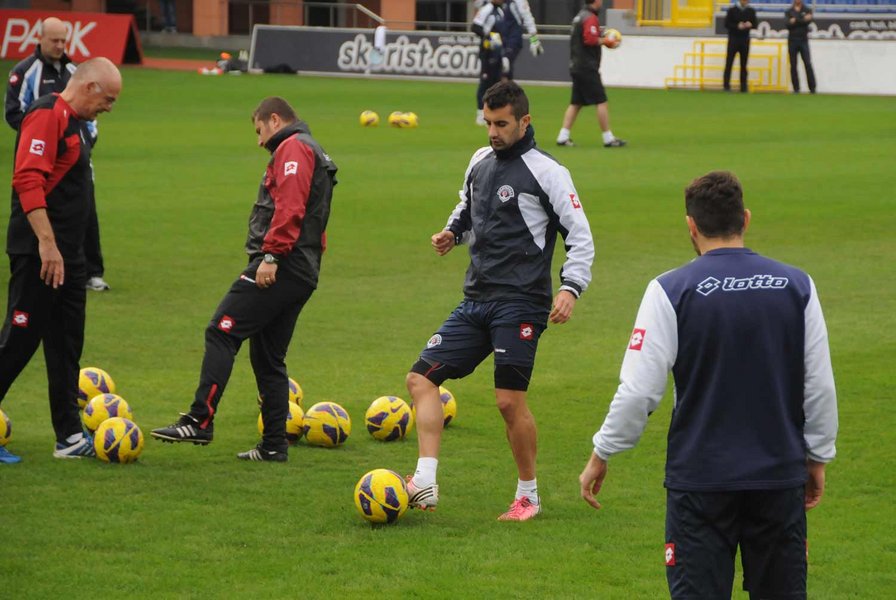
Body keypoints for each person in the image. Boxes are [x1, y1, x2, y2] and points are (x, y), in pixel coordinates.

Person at [578, 171, 838, 598]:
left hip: (701, 480)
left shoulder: (669, 290)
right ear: (745, 219)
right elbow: (819, 385)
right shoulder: (797, 286)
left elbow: (640, 391)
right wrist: (818, 456)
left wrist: (603, 451)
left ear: (691, 226)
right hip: (777, 476)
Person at [404, 81, 594, 520]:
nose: (493, 132)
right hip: (476, 297)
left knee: (508, 402)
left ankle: (528, 496)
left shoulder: (548, 172)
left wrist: (570, 287)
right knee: (421, 379)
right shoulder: (479, 161)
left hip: (521, 301)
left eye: (502, 124)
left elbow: (580, 235)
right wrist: (452, 233)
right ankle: (425, 482)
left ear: (525, 121)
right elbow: (467, 209)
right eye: (488, 122)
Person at [150, 97, 337, 462]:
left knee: (221, 330)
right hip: (303, 268)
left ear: (274, 119)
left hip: (282, 264)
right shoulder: (312, 148)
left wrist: (271, 256)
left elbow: (291, 206)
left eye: (259, 130)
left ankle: (200, 420)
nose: (259, 140)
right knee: (268, 358)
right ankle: (274, 445)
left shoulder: (294, 147)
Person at [0, 58, 122, 464]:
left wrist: (71, 254)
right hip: (39, 253)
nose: (109, 108)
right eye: (108, 99)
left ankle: (68, 436)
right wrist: (47, 244)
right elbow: (27, 180)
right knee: (18, 342)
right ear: (88, 87)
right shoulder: (46, 114)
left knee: (66, 345)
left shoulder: (77, 123)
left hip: (68, 259)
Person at [5, 17, 112, 292]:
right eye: (54, 40)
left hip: (76, 156)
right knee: (40, 203)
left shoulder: (77, 71)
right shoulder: (24, 72)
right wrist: (44, 136)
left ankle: (92, 270)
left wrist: (82, 142)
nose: (59, 45)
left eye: (64, 40)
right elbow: (14, 111)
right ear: (39, 38)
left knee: (85, 210)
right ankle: (38, 260)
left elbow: (91, 123)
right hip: (39, 154)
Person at [556, 0, 625, 148]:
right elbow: (589, 39)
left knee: (576, 103)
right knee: (601, 101)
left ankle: (563, 136)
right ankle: (608, 138)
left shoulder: (579, 16)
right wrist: (606, 41)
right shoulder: (589, 17)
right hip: (586, 67)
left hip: (576, 65)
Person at [472, 0, 543, 126]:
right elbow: (477, 24)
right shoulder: (490, 8)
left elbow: (527, 16)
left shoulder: (517, 2)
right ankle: (484, 112)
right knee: (490, 80)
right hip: (494, 46)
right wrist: (488, 38)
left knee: (504, 76)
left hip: (510, 42)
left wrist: (534, 40)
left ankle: (506, 111)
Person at [723, 0, 756, 93]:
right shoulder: (732, 10)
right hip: (733, 39)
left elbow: (755, 24)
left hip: (745, 40)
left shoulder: (751, 11)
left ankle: (743, 86)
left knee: (744, 64)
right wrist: (737, 26)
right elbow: (726, 24)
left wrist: (750, 24)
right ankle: (726, 85)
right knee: (729, 63)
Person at [785, 0, 817, 94]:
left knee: (807, 63)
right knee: (793, 65)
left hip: (803, 40)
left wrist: (795, 20)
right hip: (792, 40)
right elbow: (787, 24)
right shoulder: (788, 11)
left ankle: (812, 88)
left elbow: (808, 21)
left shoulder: (807, 10)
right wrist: (802, 18)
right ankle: (796, 88)